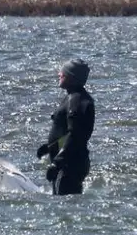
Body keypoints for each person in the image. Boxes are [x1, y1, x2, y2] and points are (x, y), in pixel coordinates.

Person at [36, 57, 95, 195]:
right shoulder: (74, 97)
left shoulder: (77, 101)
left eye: (63, 72)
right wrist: (50, 148)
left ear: (72, 77)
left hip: (70, 165)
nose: (59, 74)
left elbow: (75, 136)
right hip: (67, 163)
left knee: (65, 203)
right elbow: (68, 135)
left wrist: (57, 162)